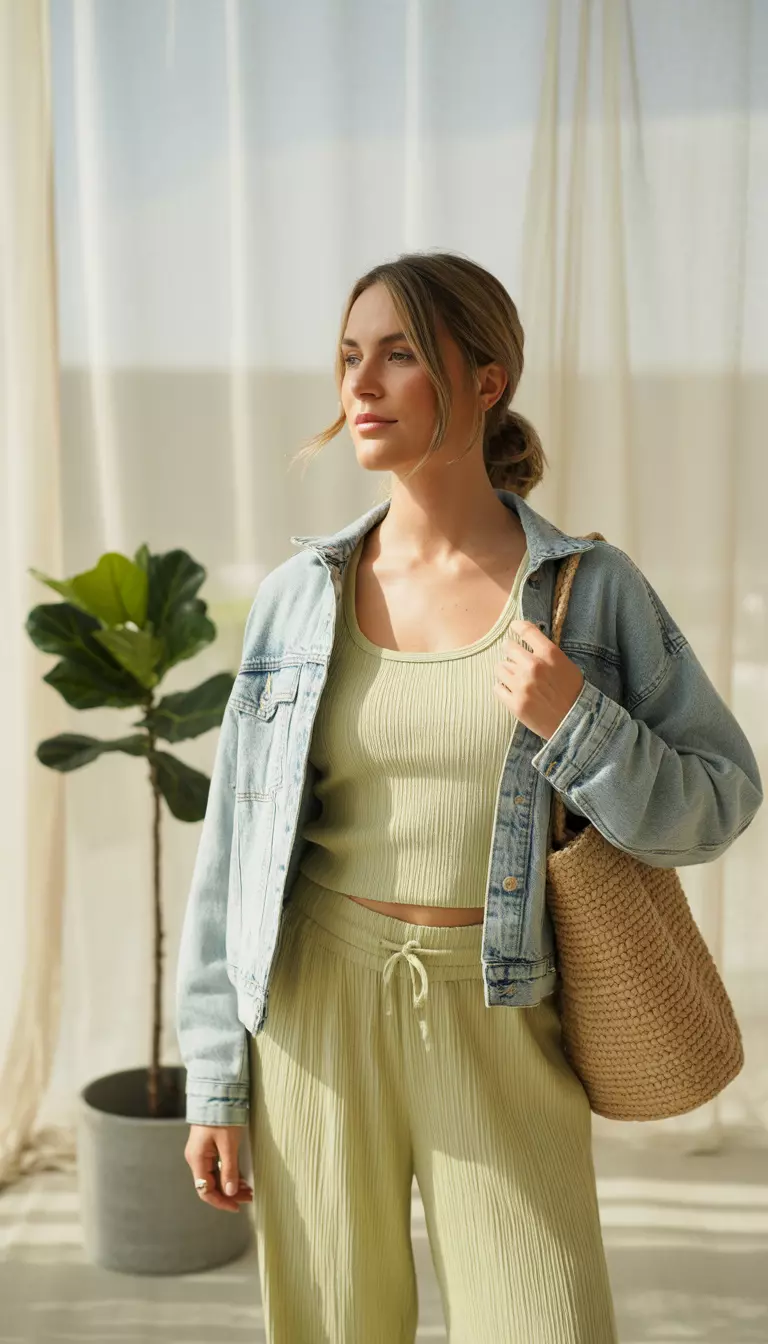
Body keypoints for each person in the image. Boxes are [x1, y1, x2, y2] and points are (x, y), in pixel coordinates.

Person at [177, 251, 762, 1342]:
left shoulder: (591, 591)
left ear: (486, 379)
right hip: (316, 1008)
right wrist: (215, 1078)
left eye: (399, 354)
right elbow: (233, 849)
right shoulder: (300, 597)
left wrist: (578, 719)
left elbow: (719, 799)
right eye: (351, 355)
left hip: (501, 1014)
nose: (360, 383)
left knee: (547, 1320)